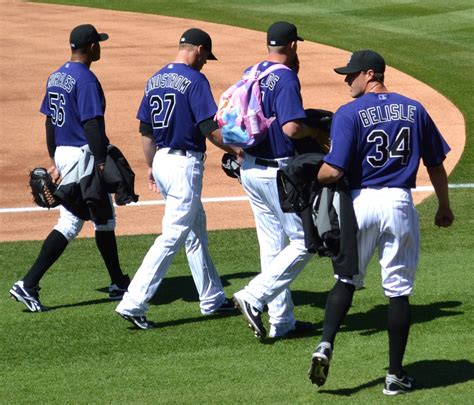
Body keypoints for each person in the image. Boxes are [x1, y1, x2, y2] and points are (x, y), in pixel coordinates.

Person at [307, 49, 454, 395]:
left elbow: (334, 170)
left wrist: (313, 174)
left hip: (361, 204)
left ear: (370, 74)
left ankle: (325, 344)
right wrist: (444, 206)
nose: (347, 80)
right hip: (399, 203)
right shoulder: (414, 108)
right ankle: (395, 376)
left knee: (346, 279)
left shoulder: (348, 114)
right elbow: (434, 162)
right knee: (398, 291)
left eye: (352, 74)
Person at [115, 28, 239, 329]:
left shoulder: (154, 79)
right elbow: (209, 128)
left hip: (161, 161)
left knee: (196, 231)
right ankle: (134, 302)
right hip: (183, 166)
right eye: (206, 57)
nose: (205, 63)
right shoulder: (195, 81)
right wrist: (237, 150)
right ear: (197, 49)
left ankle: (212, 298)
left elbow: (145, 131)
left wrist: (151, 165)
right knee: (172, 236)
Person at [9, 24, 131, 312]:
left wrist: (54, 159)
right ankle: (27, 284)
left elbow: (50, 121)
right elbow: (91, 123)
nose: (100, 47)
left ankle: (117, 282)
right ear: (90, 47)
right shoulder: (85, 79)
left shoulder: (57, 76)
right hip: (83, 155)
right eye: (98, 43)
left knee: (95, 218)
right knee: (81, 221)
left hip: (65, 152)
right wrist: (102, 161)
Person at [231, 21, 324, 340]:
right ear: (293, 46)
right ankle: (253, 297)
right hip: (278, 172)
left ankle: (282, 321)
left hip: (250, 167)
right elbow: (292, 129)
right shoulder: (285, 78)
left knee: (272, 246)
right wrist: (315, 131)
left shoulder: (252, 70)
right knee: (303, 242)